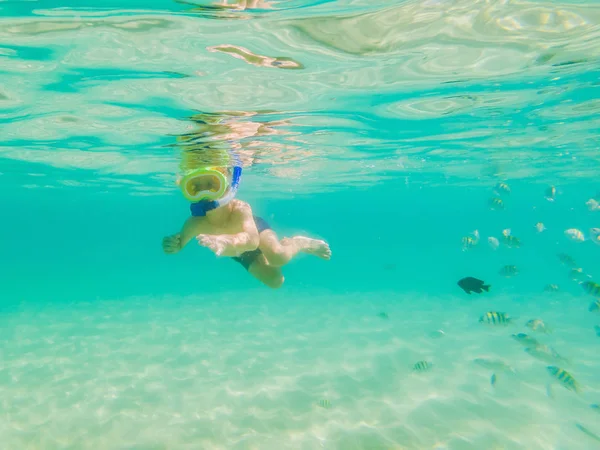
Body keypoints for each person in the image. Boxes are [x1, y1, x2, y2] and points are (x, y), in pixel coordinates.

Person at [162, 165, 331, 289]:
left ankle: (299, 243)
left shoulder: (240, 209)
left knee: (278, 257)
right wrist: (172, 244)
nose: (205, 194)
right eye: (195, 188)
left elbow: (251, 241)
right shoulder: (194, 224)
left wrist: (226, 242)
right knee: (276, 282)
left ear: (227, 187)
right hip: (239, 252)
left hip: (255, 232)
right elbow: (178, 244)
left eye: (212, 185)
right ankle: (262, 258)